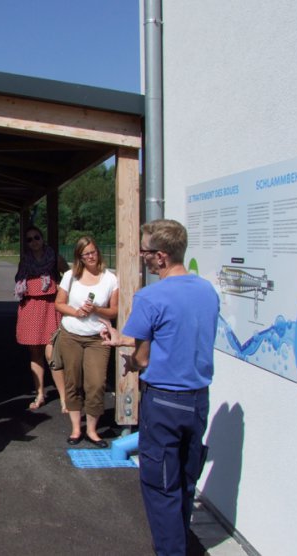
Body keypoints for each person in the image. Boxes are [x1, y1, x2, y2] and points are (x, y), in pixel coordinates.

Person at [102, 219, 219, 556]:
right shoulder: (206, 291)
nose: (142, 257)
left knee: (160, 485)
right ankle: (180, 542)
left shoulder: (151, 297)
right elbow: (173, 335)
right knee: (184, 480)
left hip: (164, 402)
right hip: (197, 400)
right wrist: (123, 339)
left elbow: (142, 357)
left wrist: (129, 360)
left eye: (146, 251)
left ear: (162, 256)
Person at [54, 236, 118, 447]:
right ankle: (75, 428)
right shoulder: (71, 276)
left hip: (96, 338)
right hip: (71, 334)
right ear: (79, 257)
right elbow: (59, 304)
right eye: (85, 254)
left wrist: (97, 309)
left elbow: (115, 310)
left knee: (97, 383)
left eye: (93, 252)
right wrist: (76, 311)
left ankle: (92, 430)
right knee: (73, 381)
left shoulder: (110, 278)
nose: (91, 257)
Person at [14, 225, 69, 411]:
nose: (33, 242)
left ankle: (63, 398)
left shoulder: (53, 258)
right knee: (35, 354)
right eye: (29, 239)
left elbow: (67, 275)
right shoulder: (25, 261)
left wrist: (61, 287)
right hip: (30, 308)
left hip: (49, 307)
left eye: (36, 237)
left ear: (42, 238)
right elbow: (19, 281)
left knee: (51, 354)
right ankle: (40, 394)